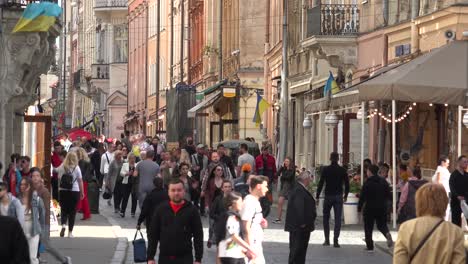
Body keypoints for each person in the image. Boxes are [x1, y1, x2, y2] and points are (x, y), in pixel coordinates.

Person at [394, 183, 466, 263]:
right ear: (445, 203)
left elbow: (399, 261)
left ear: (418, 203)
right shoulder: (456, 233)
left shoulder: (406, 228)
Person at [147, 178, 203, 264]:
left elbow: (198, 235)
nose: (176, 193)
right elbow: (153, 235)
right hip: (165, 258)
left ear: (184, 191)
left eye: (179, 190)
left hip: (185, 257)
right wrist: (150, 257)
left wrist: (198, 259)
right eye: (173, 190)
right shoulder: (161, 209)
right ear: (168, 192)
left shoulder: (192, 210)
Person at [31, 168, 72, 264]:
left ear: (41, 178)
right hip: (33, 221)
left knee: (46, 244)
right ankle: (37, 259)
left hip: (43, 222)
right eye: (33, 176)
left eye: (37, 176)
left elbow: (46, 210)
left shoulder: (44, 191)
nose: (35, 178)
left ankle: (64, 260)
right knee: (34, 242)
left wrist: (46, 224)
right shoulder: (30, 189)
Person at [316, 152, 349, 248]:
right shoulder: (342, 170)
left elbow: (321, 183)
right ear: (338, 159)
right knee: (338, 218)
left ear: (330, 159)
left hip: (328, 196)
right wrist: (346, 195)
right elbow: (347, 184)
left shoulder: (326, 169)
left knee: (326, 218)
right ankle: (336, 240)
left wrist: (317, 196)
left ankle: (327, 240)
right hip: (338, 196)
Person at [358, 164, 393, 252]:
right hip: (382, 207)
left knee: (368, 227)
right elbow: (389, 195)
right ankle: (387, 233)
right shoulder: (383, 181)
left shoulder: (367, 182)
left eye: (367, 171)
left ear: (370, 172)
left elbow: (362, 197)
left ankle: (369, 246)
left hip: (370, 207)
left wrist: (359, 208)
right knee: (382, 225)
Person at [285, 171, 316, 264]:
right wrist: (302, 222)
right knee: (297, 251)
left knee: (300, 251)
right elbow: (299, 207)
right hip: (299, 227)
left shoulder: (300, 188)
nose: (310, 181)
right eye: (310, 179)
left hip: (301, 227)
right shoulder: (299, 190)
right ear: (305, 179)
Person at [217, 192, 257, 264]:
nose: (242, 204)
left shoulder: (226, 215)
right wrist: (249, 248)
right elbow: (234, 236)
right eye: (240, 201)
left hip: (233, 253)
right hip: (230, 253)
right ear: (233, 203)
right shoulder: (232, 217)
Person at [55, 151, 85, 238]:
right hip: (74, 191)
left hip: (63, 191)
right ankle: (70, 232)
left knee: (64, 210)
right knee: (72, 212)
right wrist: (82, 192)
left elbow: (58, 177)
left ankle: (63, 224)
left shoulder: (62, 166)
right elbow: (80, 181)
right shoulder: (77, 168)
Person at [240, 175, 269, 264]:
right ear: (259, 186)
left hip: (256, 242)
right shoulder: (249, 202)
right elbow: (245, 226)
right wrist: (249, 248)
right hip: (252, 244)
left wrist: (261, 222)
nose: (267, 189)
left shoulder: (254, 201)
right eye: (265, 186)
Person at [19, 177, 45, 264]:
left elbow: (42, 216)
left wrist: (42, 230)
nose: (22, 186)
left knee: (32, 258)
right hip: (20, 231)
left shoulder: (37, 199)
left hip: (33, 230)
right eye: (21, 184)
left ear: (29, 186)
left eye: (24, 184)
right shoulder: (17, 200)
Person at [210, 180, 233, 249]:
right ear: (222, 189)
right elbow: (212, 213)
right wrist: (220, 218)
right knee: (221, 249)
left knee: (230, 249)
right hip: (220, 227)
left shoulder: (234, 199)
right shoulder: (218, 199)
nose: (227, 189)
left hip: (232, 228)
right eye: (225, 187)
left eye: (229, 187)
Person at [273, 157, 296, 224]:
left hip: (289, 187)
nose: (286, 163)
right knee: (280, 202)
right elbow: (276, 175)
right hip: (283, 186)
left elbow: (288, 177)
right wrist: (281, 167)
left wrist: (283, 176)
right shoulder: (283, 168)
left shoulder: (292, 169)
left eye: (287, 161)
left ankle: (292, 219)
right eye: (285, 161)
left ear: (290, 162)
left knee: (291, 204)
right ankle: (278, 218)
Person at [449, 155, 468, 227]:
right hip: (456, 201)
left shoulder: (467, 175)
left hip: (466, 200)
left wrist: (465, 197)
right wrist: (457, 196)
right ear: (459, 162)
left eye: (467, 162)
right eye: (464, 162)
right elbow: (452, 187)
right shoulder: (454, 175)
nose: (466, 164)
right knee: (456, 222)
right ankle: (456, 236)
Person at [75, 148, 93, 220]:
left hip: (82, 180)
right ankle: (86, 214)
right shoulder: (87, 161)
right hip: (85, 180)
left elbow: (80, 172)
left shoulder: (81, 162)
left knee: (83, 196)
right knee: (84, 197)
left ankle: (86, 213)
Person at [191, 144, 209, 214]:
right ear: (197, 149)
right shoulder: (192, 156)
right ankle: (195, 210)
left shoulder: (206, 157)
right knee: (196, 194)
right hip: (195, 178)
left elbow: (207, 167)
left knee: (203, 194)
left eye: (203, 149)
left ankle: (202, 210)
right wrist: (193, 169)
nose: (202, 150)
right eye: (200, 149)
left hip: (203, 178)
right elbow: (189, 166)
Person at [120, 153, 138, 217]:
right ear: (129, 159)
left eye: (133, 158)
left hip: (134, 184)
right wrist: (127, 174)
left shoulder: (137, 165)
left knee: (134, 198)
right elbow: (121, 173)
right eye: (131, 158)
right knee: (125, 197)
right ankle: (122, 211)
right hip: (126, 183)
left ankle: (133, 212)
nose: (132, 160)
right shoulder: (125, 164)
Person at [433, 156, 451, 220]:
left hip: (446, 190)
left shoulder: (445, 170)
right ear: (443, 162)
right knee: (444, 206)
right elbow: (439, 180)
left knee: (446, 207)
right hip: (442, 191)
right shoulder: (440, 168)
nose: (448, 164)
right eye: (447, 163)